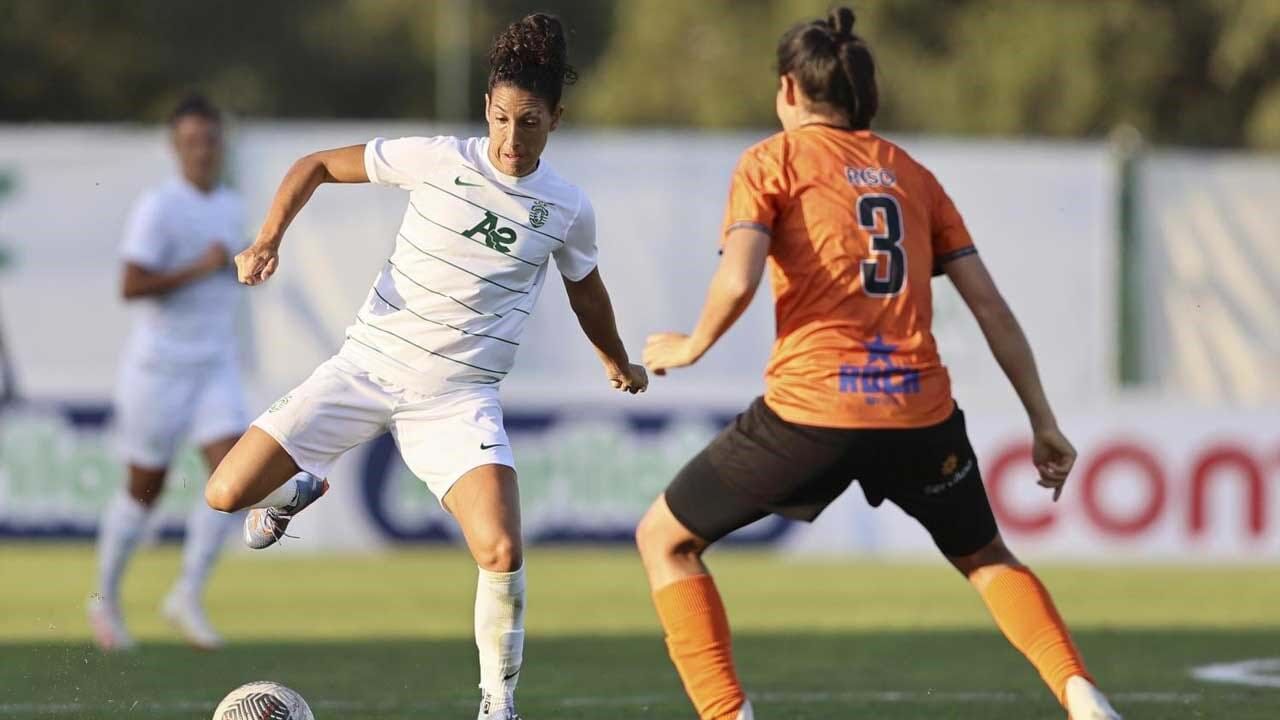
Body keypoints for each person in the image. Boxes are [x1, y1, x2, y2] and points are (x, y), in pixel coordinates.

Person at [637, 8, 1122, 720]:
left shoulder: (769, 161)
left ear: (788, 91)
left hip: (811, 414)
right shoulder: (913, 176)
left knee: (665, 539)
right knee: (987, 558)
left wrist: (689, 346)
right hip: (918, 414)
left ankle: (726, 715)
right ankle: (1083, 697)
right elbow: (992, 309)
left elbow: (738, 279)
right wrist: (1042, 422)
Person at [203, 13, 647, 720]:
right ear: (486, 109)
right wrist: (267, 240)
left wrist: (615, 359)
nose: (510, 138)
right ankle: (290, 494)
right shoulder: (440, 159)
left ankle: (497, 704)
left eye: (529, 122)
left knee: (500, 547)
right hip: (365, 367)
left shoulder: (566, 208)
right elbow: (313, 165)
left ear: (556, 120)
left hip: (457, 399)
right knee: (224, 494)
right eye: (501, 118)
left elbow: (585, 289)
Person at [90, 94, 249, 651]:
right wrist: (199, 268)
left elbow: (230, 275)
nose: (201, 151)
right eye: (191, 142)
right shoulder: (159, 207)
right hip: (159, 369)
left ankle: (186, 594)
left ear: (221, 144)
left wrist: (245, 268)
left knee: (234, 476)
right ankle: (104, 601)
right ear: (175, 147)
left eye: (209, 140)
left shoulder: (232, 205)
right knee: (143, 491)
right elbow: (131, 286)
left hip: (215, 364)